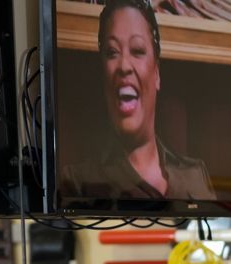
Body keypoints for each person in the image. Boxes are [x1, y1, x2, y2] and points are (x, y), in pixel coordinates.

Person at [61, 0, 215, 202]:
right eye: (112, 52)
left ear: (157, 74)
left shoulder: (195, 174)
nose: (124, 65)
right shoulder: (77, 182)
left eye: (137, 50)